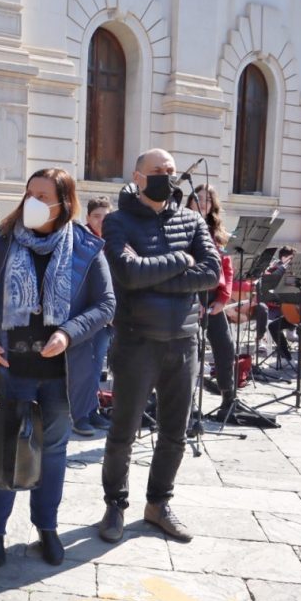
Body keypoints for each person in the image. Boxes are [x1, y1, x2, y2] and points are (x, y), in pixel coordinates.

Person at [0, 168, 115, 567]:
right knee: (5, 452)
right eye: (29, 192)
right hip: (10, 367)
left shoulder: (86, 246)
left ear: (63, 203)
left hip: (59, 373)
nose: (32, 201)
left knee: (52, 452)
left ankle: (46, 527)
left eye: (42, 196)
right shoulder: (0, 241)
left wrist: (68, 333)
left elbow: (105, 305)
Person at [98, 148, 220, 545]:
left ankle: (158, 504)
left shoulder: (192, 218)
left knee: (175, 433)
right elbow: (128, 273)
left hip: (183, 343)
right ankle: (115, 505)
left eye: (170, 171)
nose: (165, 177)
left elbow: (212, 272)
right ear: (137, 175)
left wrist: (157, 272)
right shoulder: (117, 221)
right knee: (123, 432)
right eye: (156, 171)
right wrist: (183, 259)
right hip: (136, 342)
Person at [187, 186, 237, 415]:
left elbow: (227, 267)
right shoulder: (182, 226)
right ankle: (188, 405)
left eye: (208, 199)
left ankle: (228, 400)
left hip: (214, 297)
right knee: (192, 351)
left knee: (225, 347)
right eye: (198, 198)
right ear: (189, 201)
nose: (203, 203)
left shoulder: (217, 232)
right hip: (191, 297)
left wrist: (223, 298)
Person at [71, 195, 115, 435]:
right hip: (86, 314)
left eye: (105, 217)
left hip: (107, 316)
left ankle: (92, 410)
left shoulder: (113, 240)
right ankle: (80, 416)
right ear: (88, 218)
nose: (101, 221)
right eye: (96, 216)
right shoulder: (82, 240)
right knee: (84, 367)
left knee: (97, 365)